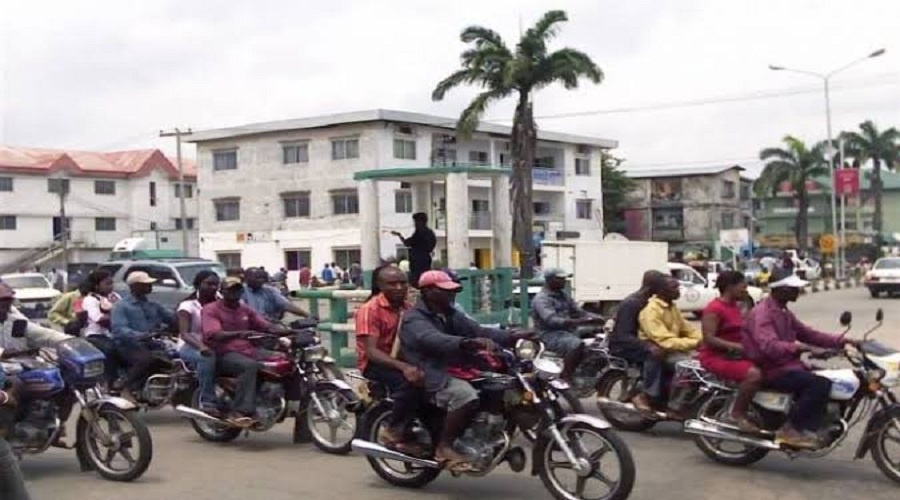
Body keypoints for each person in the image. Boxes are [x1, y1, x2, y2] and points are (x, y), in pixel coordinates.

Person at [398, 270, 516, 470]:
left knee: (501, 384)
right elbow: (432, 339)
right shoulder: (414, 318)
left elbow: (479, 331)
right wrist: (467, 343)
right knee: (464, 395)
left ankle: (484, 433)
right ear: (427, 291)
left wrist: (514, 336)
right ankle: (444, 446)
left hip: (457, 367)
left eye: (452, 291)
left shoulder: (450, 314)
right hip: (429, 371)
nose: (451, 294)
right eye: (445, 290)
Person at [742, 267, 853, 448]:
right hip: (773, 368)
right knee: (819, 384)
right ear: (780, 289)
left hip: (789, 365)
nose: (797, 291)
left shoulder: (783, 311)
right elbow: (769, 346)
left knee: (831, 377)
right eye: (793, 288)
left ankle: (816, 424)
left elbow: (808, 334)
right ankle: (791, 430)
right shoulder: (763, 313)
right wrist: (802, 348)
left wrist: (844, 341)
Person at [354, 266, 423, 454]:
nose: (399, 287)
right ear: (379, 285)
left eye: (403, 283)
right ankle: (394, 430)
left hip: (403, 358)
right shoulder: (370, 310)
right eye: (392, 284)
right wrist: (404, 367)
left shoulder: (408, 308)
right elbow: (371, 351)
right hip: (376, 363)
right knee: (409, 383)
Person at [202, 276, 287, 426]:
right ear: (222, 291)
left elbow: (265, 325)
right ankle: (241, 411)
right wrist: (239, 333)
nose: (235, 293)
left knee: (284, 360)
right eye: (230, 289)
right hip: (223, 353)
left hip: (248, 350)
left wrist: (289, 331)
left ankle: (278, 400)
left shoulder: (244, 308)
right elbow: (213, 334)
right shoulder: (211, 309)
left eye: (238, 289)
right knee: (250, 366)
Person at [697, 271, 763, 431]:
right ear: (730, 287)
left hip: (735, 356)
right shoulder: (714, 308)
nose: (745, 290)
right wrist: (738, 347)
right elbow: (709, 338)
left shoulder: (736, 306)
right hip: (715, 357)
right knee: (754, 374)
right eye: (743, 287)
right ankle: (736, 414)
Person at [637, 275, 702, 416]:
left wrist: (704, 340)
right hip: (658, 351)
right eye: (674, 287)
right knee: (688, 368)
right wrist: (695, 343)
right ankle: (674, 407)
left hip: (672, 349)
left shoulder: (672, 307)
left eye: (678, 287)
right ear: (661, 290)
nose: (678, 290)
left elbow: (688, 329)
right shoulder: (651, 311)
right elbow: (664, 340)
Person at [110, 272, 176, 399]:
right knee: (146, 359)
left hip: (153, 343)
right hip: (128, 345)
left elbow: (172, 318)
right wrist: (141, 335)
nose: (150, 286)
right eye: (145, 284)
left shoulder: (153, 305)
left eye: (150, 283)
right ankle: (124, 385)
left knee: (176, 359)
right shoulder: (121, 306)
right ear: (134, 286)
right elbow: (119, 329)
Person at [608, 270, 667, 411]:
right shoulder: (633, 303)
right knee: (654, 355)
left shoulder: (653, 302)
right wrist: (648, 346)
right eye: (661, 285)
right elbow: (623, 335)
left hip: (639, 342)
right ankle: (647, 394)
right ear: (651, 286)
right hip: (623, 346)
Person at [531, 268, 604, 381]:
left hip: (568, 330)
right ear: (550, 280)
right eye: (560, 279)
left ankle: (586, 371)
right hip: (549, 334)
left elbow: (579, 312)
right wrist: (577, 322)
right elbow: (551, 320)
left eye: (564, 278)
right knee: (576, 345)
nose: (564, 281)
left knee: (598, 337)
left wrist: (598, 318)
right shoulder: (542, 299)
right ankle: (566, 377)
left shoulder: (563, 295)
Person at [177, 270, 220, 414]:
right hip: (191, 345)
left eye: (215, 284)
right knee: (207, 357)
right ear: (198, 284)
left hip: (216, 343)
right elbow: (185, 334)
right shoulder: (188, 305)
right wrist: (201, 347)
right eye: (208, 284)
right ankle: (207, 400)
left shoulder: (221, 302)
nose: (213, 287)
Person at [81, 270, 122, 385]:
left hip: (116, 333)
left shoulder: (114, 297)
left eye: (112, 283)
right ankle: (111, 381)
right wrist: (115, 313)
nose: (111, 287)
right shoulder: (90, 300)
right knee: (111, 350)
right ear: (96, 285)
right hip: (96, 335)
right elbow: (99, 319)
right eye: (107, 284)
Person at [243, 267, 309, 323]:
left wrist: (306, 315)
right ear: (246, 279)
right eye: (256, 278)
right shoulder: (241, 292)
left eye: (261, 278)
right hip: (247, 326)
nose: (259, 280)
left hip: (270, 325)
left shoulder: (270, 291)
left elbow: (285, 305)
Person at [391, 212, 437, 287]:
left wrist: (399, 236)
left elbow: (407, 243)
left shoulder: (419, 233)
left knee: (417, 279)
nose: (415, 224)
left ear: (421, 221)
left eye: (416, 221)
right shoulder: (429, 233)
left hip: (418, 259)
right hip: (425, 258)